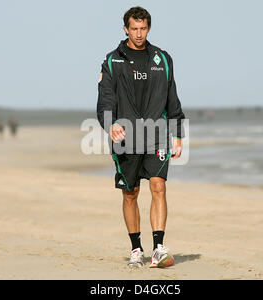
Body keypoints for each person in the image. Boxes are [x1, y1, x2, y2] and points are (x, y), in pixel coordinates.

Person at [96, 7, 186, 269]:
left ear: (149, 28)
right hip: (125, 136)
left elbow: (172, 99)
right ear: (125, 29)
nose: (138, 33)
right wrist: (110, 124)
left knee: (158, 185)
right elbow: (105, 100)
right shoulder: (113, 62)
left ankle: (158, 248)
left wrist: (177, 134)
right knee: (130, 193)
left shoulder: (162, 59)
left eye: (143, 28)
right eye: (134, 28)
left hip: (157, 134)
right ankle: (136, 248)